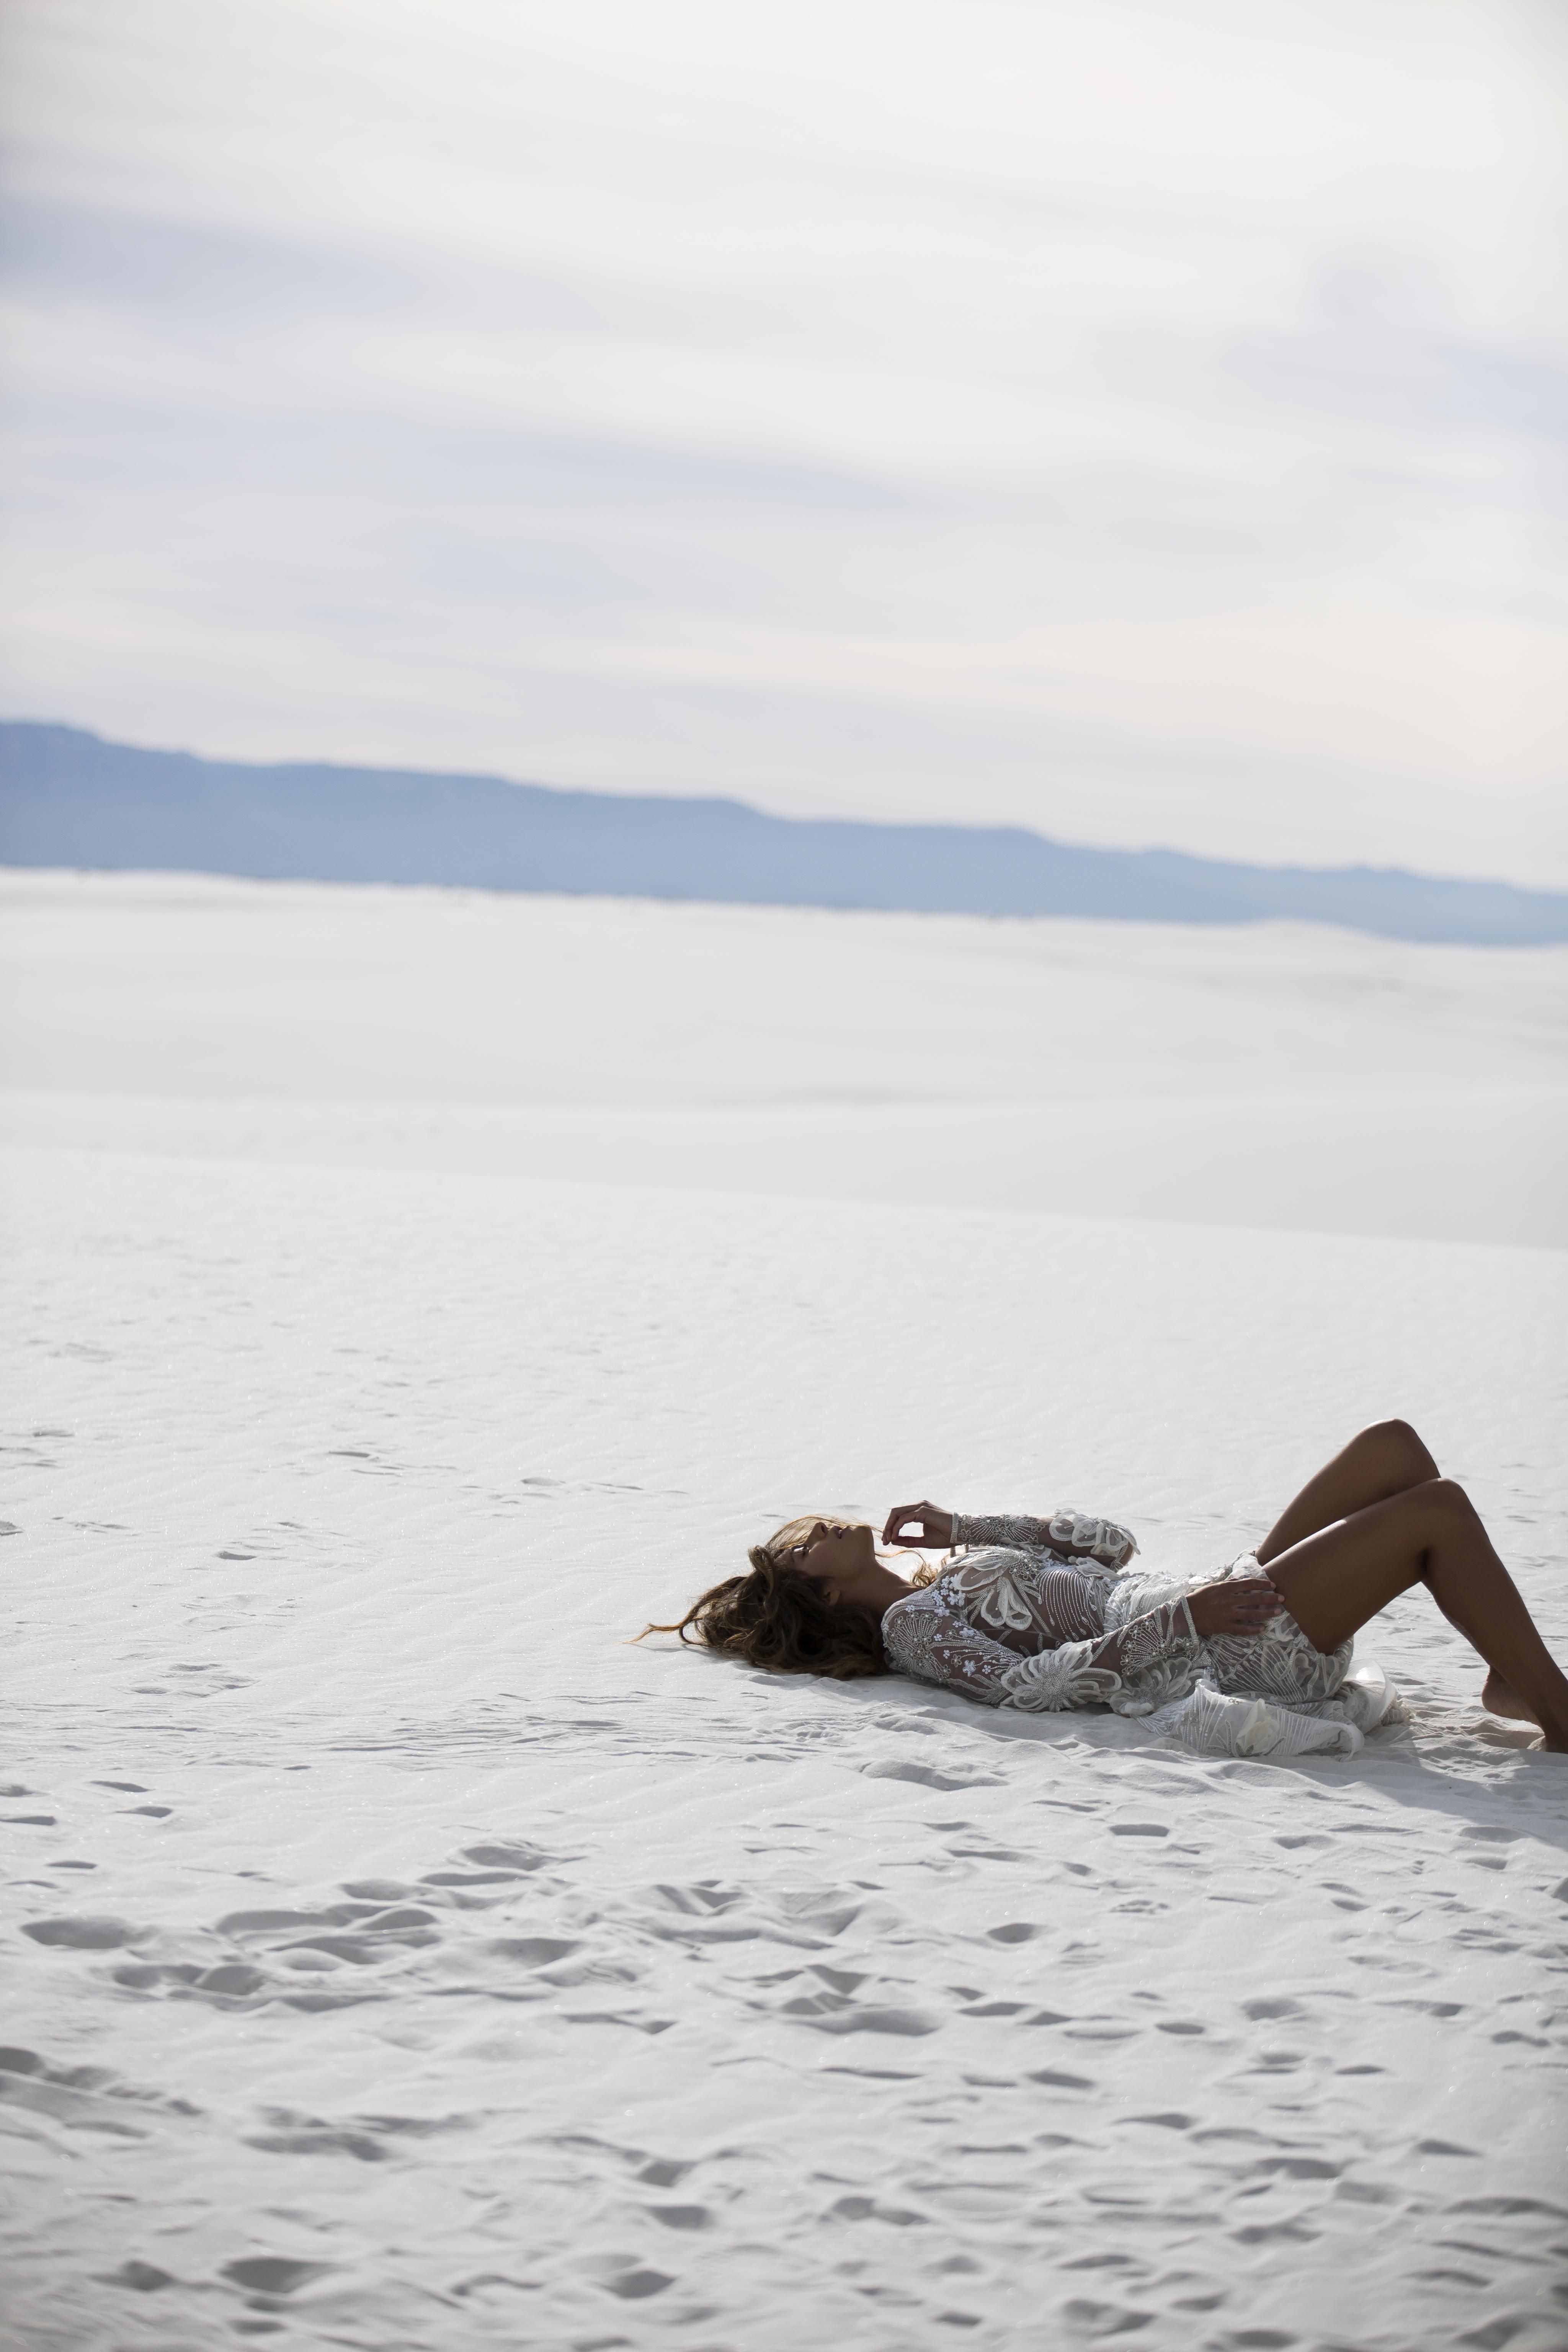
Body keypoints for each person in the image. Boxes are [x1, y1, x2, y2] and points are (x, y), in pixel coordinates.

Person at [642, 1423, 1568, 1757]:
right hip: (1224, 1643)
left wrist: (963, 1525)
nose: (820, 1533)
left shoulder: (944, 1574)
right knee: (1436, 1511)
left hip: (1213, 1599)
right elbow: (1025, 1688)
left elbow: (1111, 1545)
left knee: (1392, 1449)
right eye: (803, 1552)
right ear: (820, 1600)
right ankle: (1558, 1715)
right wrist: (1182, 1623)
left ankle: (1510, 1680)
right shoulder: (912, 1633)